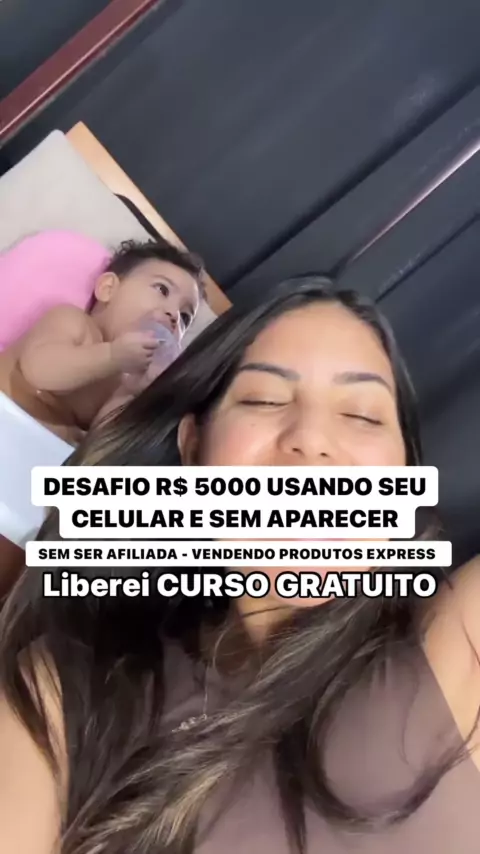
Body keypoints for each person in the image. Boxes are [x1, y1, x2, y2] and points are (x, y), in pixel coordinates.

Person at [0, 276, 479, 854]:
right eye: (265, 400)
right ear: (193, 449)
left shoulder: (457, 651)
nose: (311, 440)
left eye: (363, 415)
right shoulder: (69, 691)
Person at [0, 238, 203, 445]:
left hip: (38, 448)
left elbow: (101, 440)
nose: (174, 315)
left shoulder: (125, 379)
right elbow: (39, 371)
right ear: (108, 288)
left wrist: (129, 394)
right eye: (162, 290)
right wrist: (112, 356)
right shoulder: (73, 322)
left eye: (185, 317)